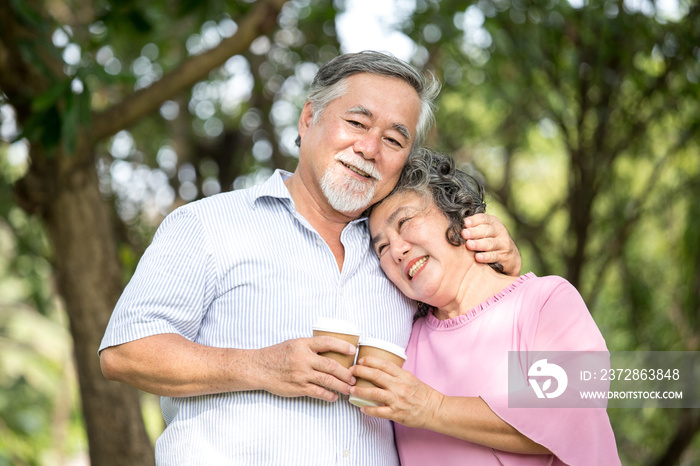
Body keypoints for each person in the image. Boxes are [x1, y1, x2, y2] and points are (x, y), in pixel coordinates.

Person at [98, 51, 521, 465]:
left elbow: (572, 393)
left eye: (394, 139)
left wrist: (505, 279)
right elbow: (123, 353)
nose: (370, 148)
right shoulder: (208, 224)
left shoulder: (405, 263)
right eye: (356, 122)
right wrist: (260, 366)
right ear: (308, 117)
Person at [350, 148, 621, 465]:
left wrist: (432, 408)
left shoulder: (545, 301)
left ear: (460, 215)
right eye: (381, 247)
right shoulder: (405, 345)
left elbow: (570, 412)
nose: (396, 249)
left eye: (405, 221)